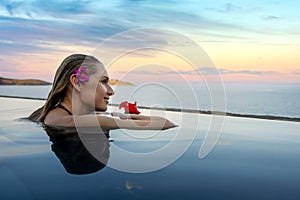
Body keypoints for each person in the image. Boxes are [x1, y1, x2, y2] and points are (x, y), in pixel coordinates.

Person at [28, 54, 176, 130]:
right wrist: (122, 117)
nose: (111, 92)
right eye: (103, 81)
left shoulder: (58, 116)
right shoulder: (70, 121)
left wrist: (118, 116)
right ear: (77, 82)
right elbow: (166, 124)